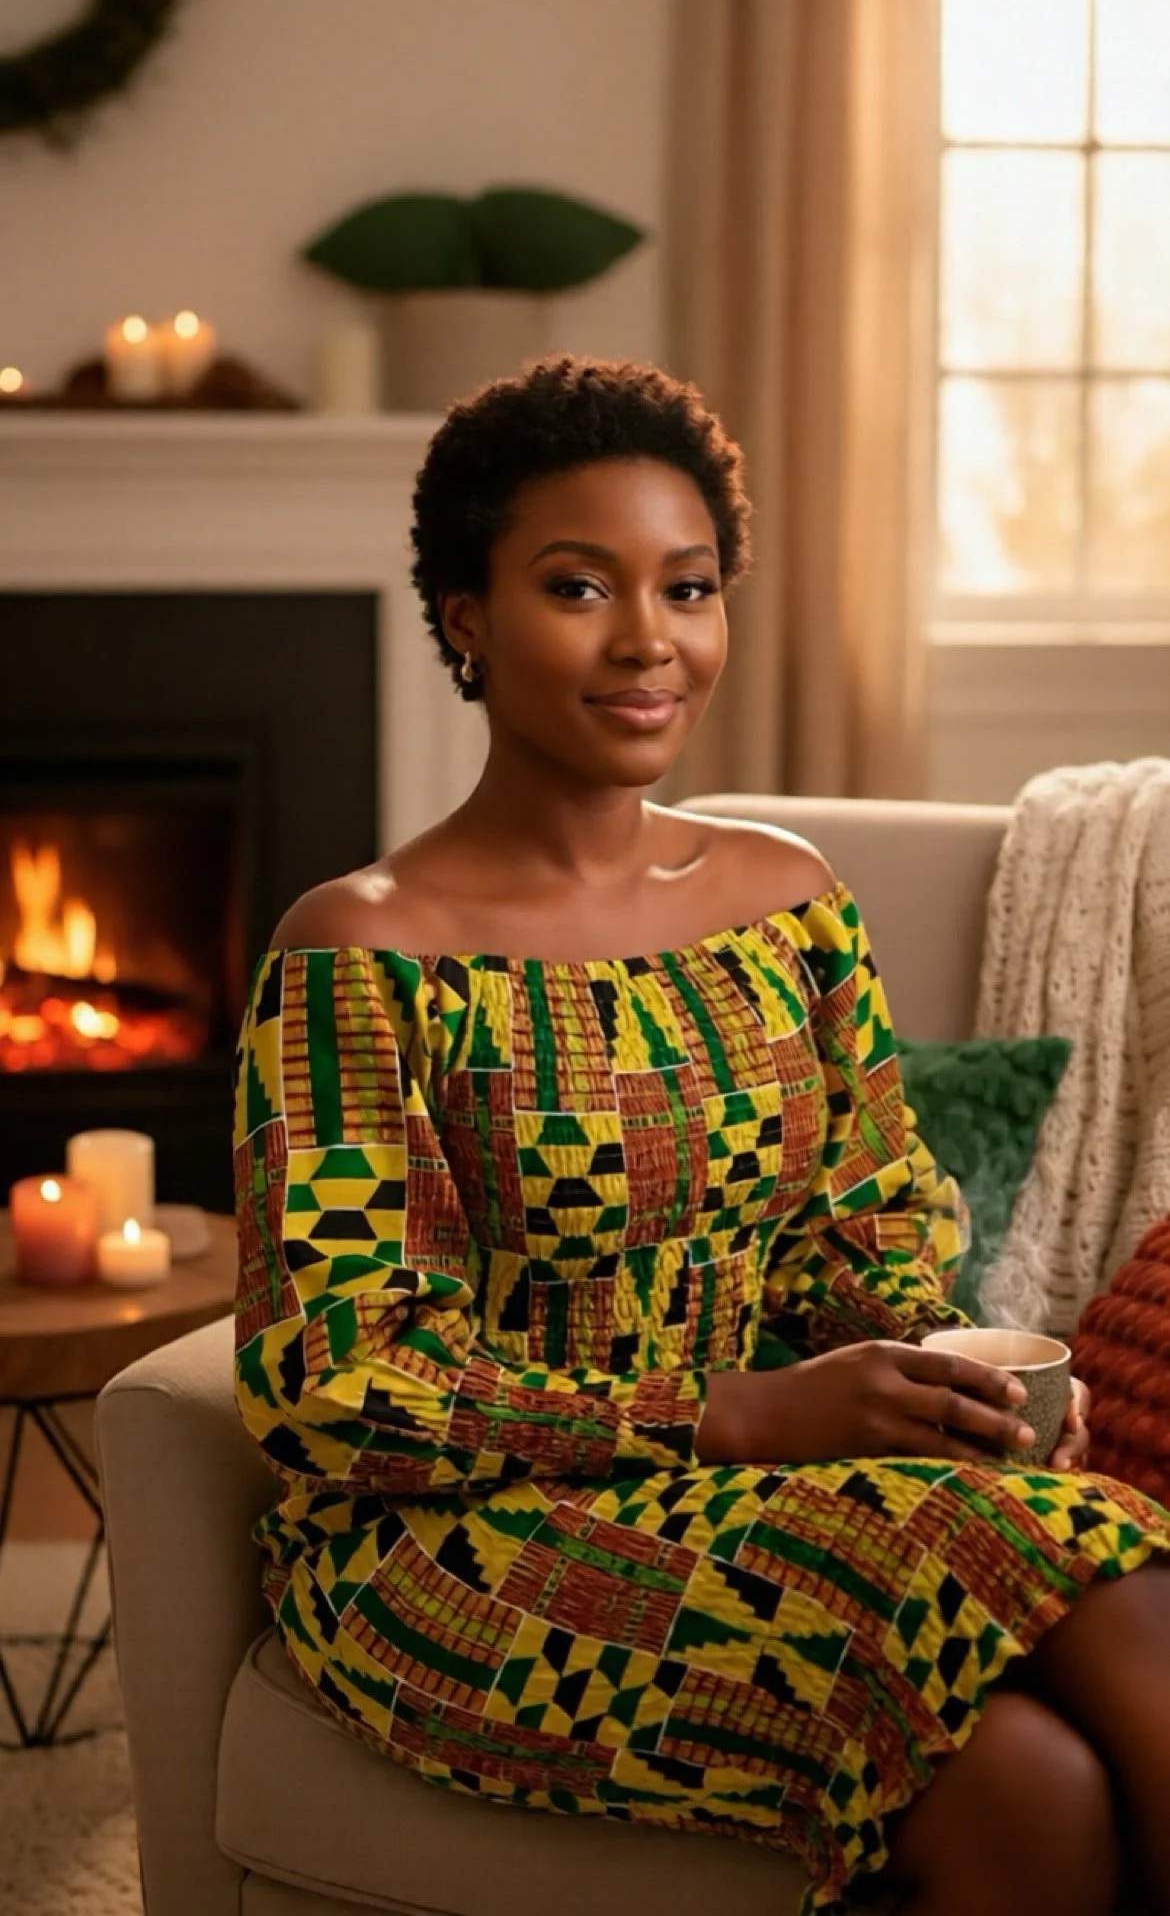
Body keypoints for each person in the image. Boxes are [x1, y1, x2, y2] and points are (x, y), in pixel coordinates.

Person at [232, 355, 1170, 1916]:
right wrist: (728, 1415)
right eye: (578, 586)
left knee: (1096, 1637)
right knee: (1034, 1770)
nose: (646, 640)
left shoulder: (788, 901)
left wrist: (949, 1387)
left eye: (688, 586)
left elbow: (865, 1245)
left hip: (779, 1486)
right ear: (464, 614)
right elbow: (331, 1392)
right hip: (450, 1552)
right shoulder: (359, 952)